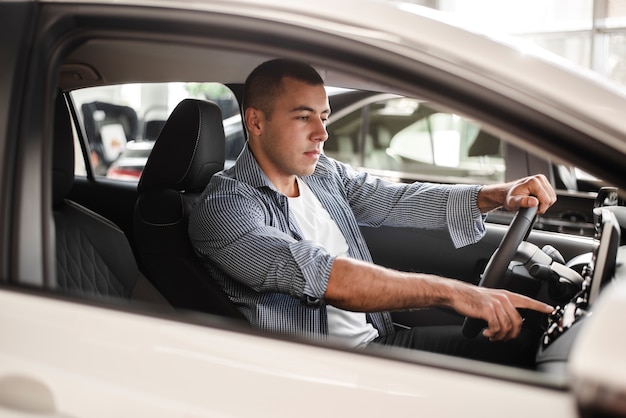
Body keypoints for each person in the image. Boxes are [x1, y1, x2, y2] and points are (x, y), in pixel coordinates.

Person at [189, 58, 557, 367]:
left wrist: (497, 194)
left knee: (522, 346)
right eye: (303, 117)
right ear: (255, 122)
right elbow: (327, 276)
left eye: (324, 116)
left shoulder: (323, 175)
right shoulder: (226, 208)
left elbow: (397, 199)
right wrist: (454, 293)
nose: (322, 133)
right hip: (324, 372)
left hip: (378, 343)